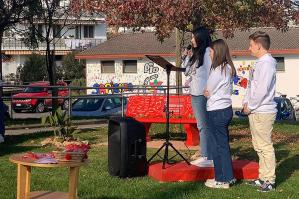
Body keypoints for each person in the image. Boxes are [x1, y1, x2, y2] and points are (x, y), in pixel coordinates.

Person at [243, 31, 277, 192]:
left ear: (258, 45)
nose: (249, 48)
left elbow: (262, 89)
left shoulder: (267, 63)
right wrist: (245, 102)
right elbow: (251, 86)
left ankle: (269, 181)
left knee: (265, 146)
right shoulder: (260, 63)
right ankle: (263, 177)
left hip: (263, 111)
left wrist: (251, 106)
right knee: (258, 146)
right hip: (255, 110)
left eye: (250, 45)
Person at [203, 39, 236, 188]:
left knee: (217, 146)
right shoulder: (228, 67)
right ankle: (228, 177)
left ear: (217, 52)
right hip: (226, 109)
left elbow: (207, 91)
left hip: (216, 110)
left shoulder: (217, 70)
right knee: (223, 145)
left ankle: (222, 179)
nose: (209, 54)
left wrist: (207, 92)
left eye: (210, 51)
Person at [182, 27, 213, 166]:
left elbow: (211, 73)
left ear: (201, 38)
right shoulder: (196, 53)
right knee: (202, 125)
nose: (191, 40)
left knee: (203, 125)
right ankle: (205, 153)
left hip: (202, 93)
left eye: (194, 37)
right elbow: (187, 72)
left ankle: (206, 156)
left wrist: (209, 89)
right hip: (194, 93)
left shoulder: (207, 53)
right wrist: (186, 56)